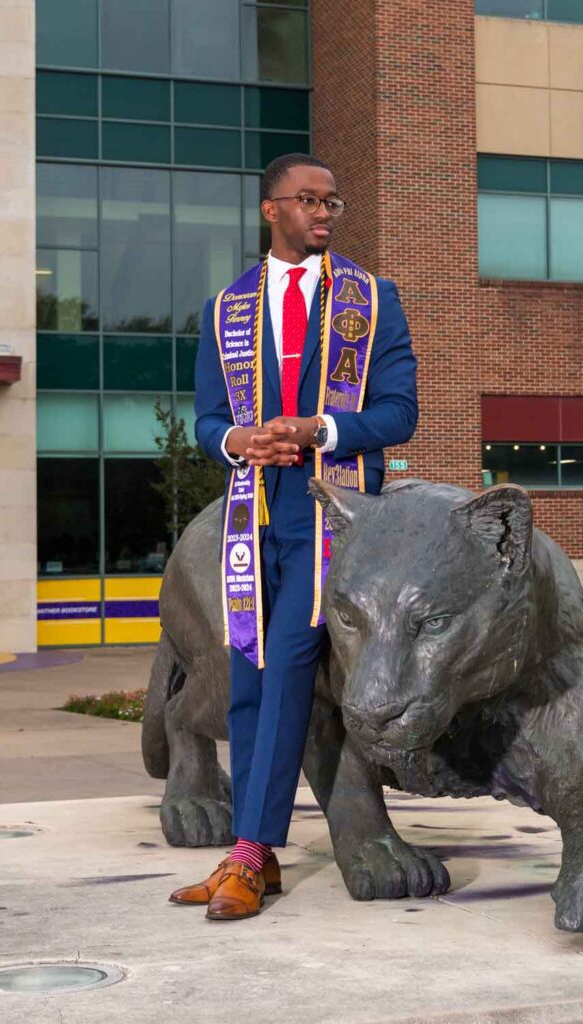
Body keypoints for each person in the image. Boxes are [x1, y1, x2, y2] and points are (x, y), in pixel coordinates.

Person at [168, 153, 418, 921]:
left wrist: (323, 428)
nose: (324, 212)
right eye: (308, 200)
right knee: (246, 669)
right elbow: (207, 420)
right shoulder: (225, 310)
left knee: (282, 667)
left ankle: (247, 854)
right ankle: (260, 854)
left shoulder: (371, 300)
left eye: (332, 202)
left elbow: (399, 412)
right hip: (252, 510)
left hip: (331, 509)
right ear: (271, 211)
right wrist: (237, 441)